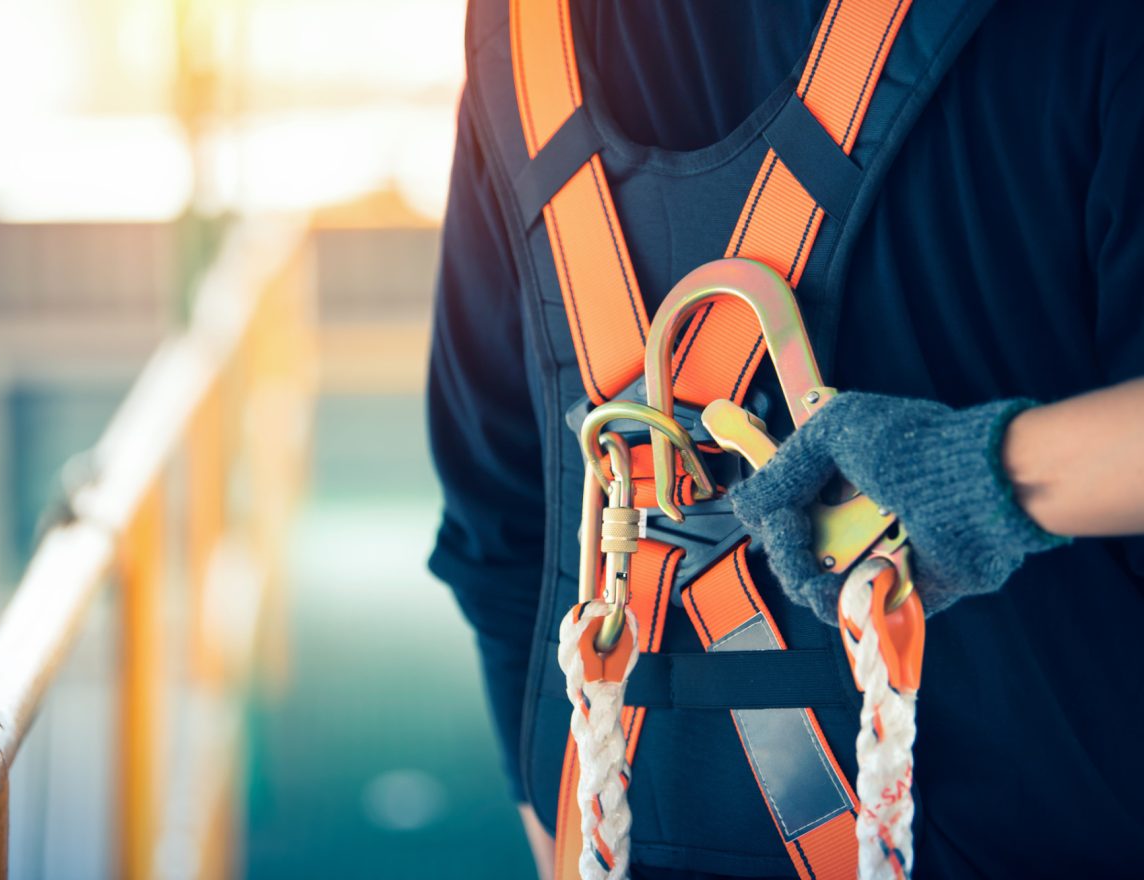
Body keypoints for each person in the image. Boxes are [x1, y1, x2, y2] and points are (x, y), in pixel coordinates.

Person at [427, 1, 1144, 877]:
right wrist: (1003, 474)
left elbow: (495, 523)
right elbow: (497, 519)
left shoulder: (522, 36)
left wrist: (572, 839)